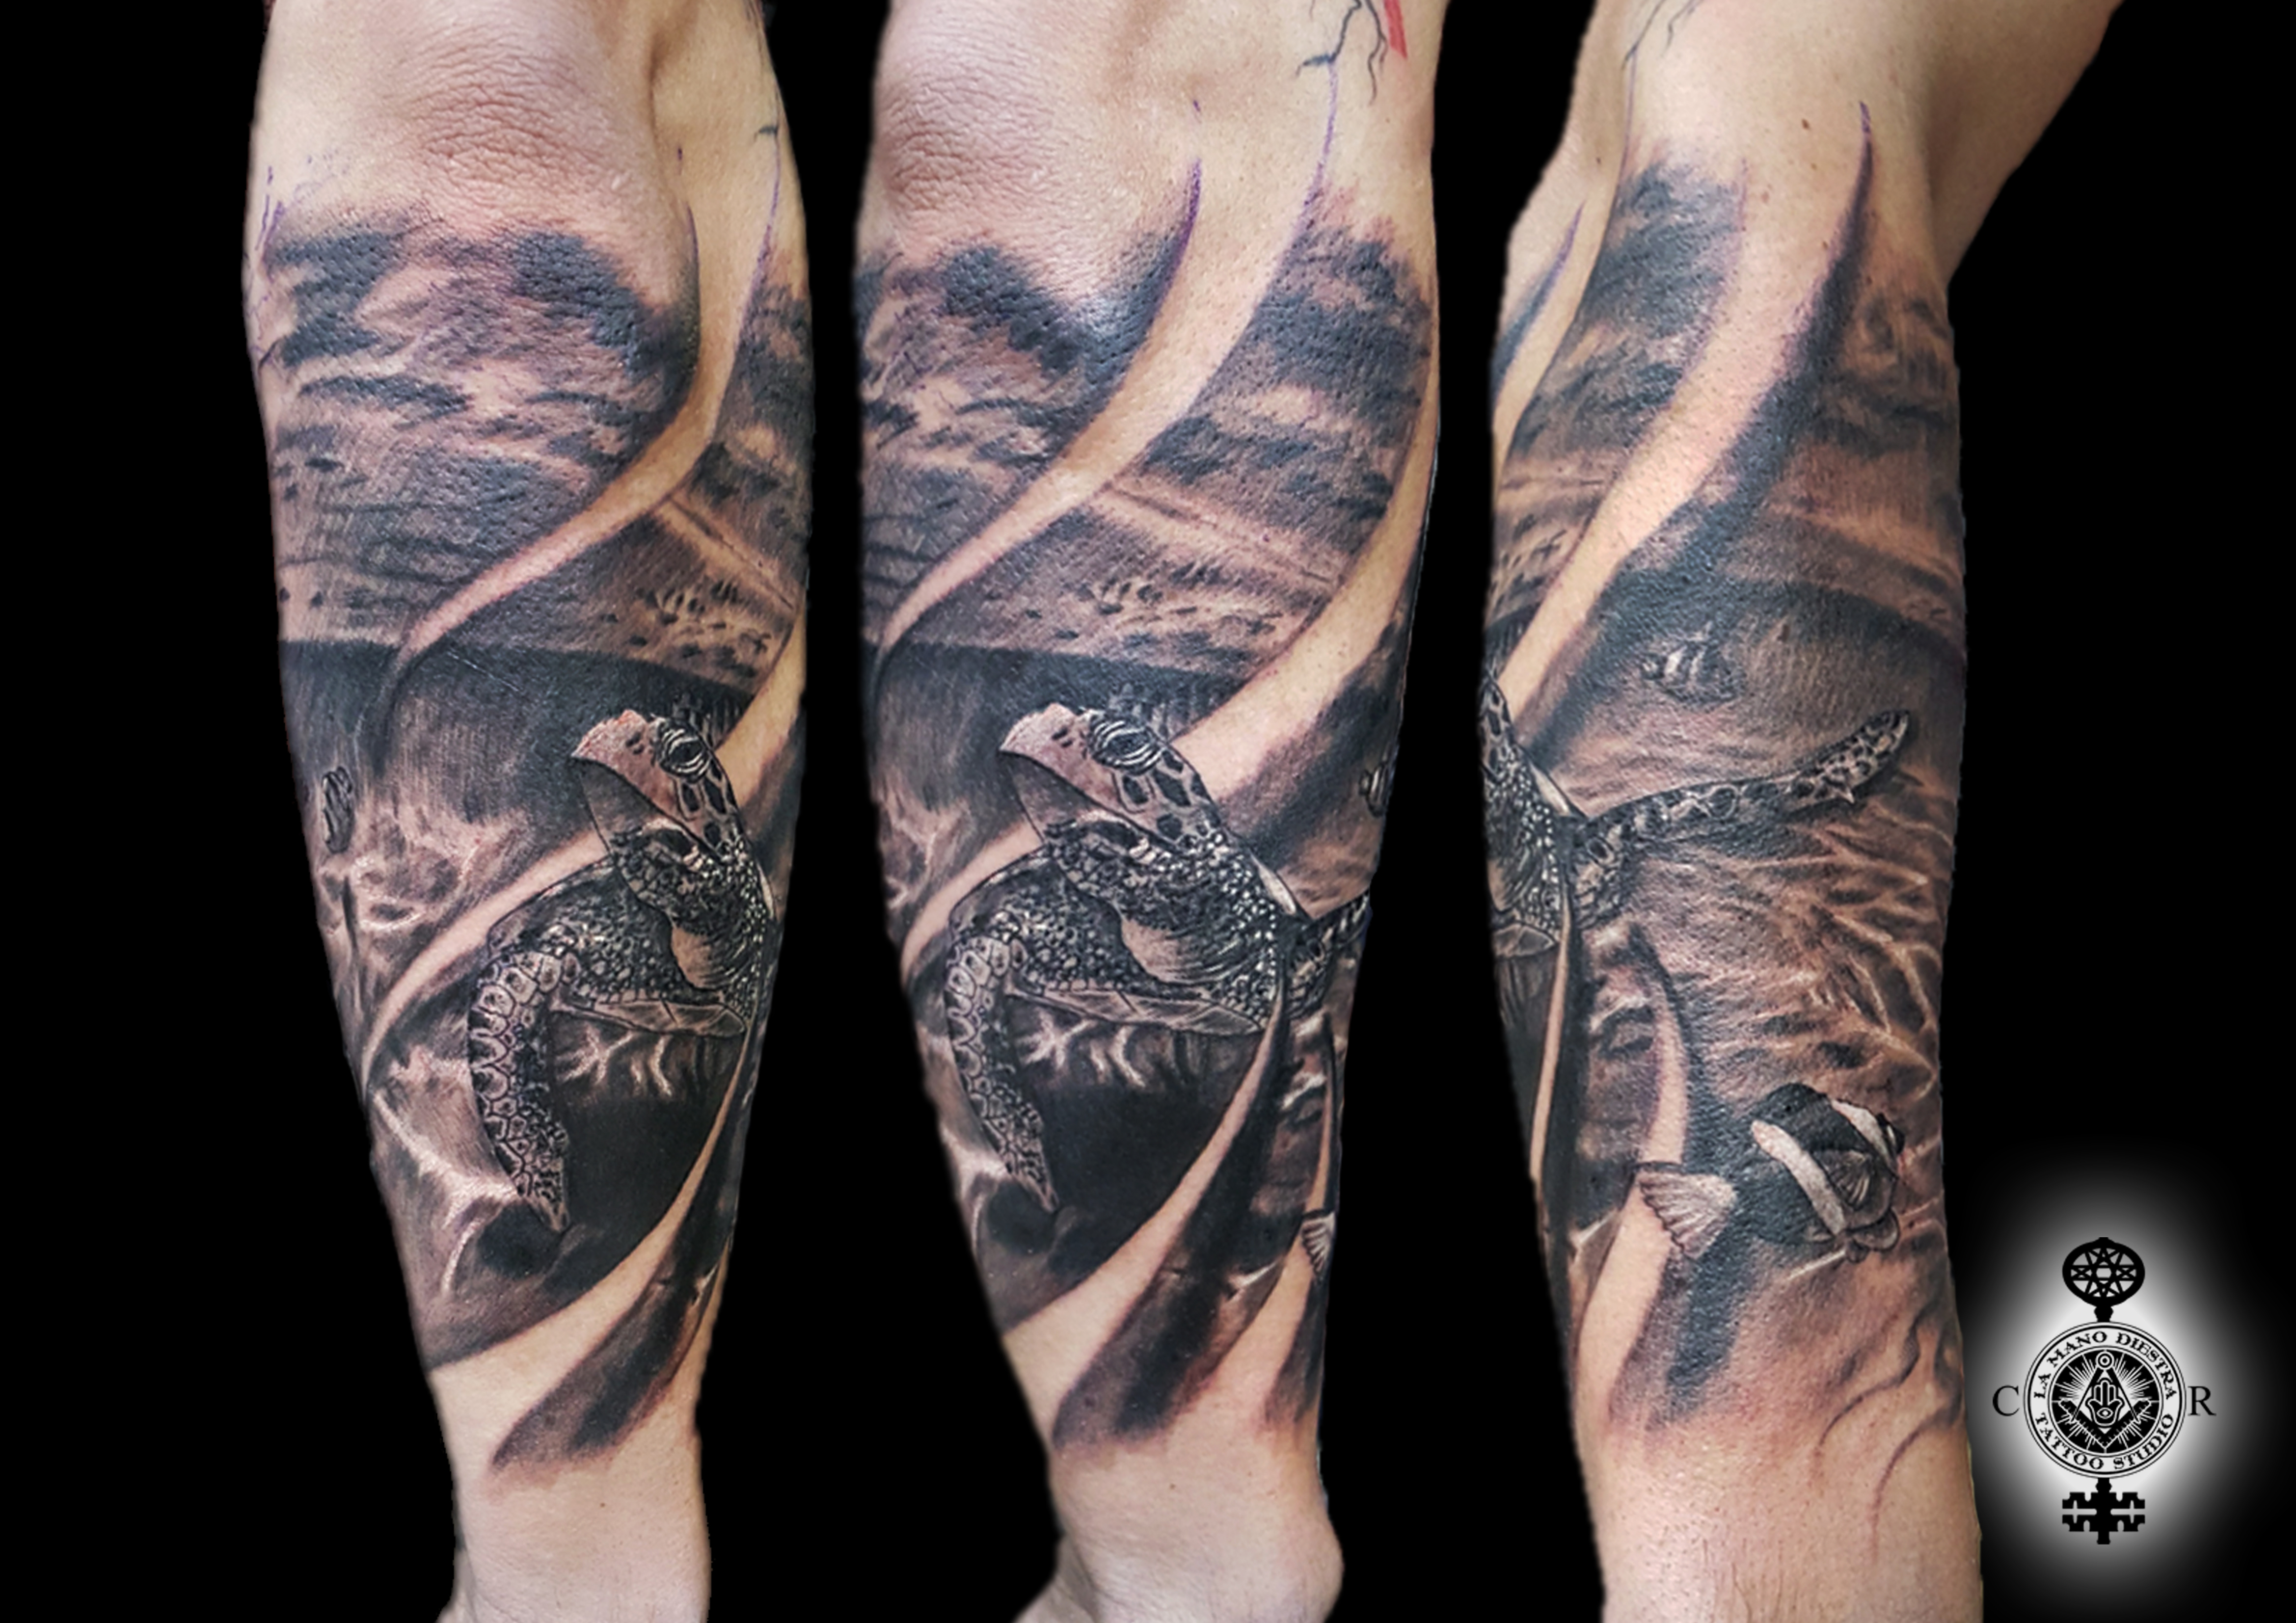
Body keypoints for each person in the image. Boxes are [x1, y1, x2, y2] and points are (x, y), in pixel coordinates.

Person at [245, 1, 2115, 1617]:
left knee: (511, 52)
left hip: (1256, 920)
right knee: (1738, 86)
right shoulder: (1031, 883)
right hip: (1155, 920)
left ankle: (647, 1570)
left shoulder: (1158, 867)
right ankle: (1265, 1534)